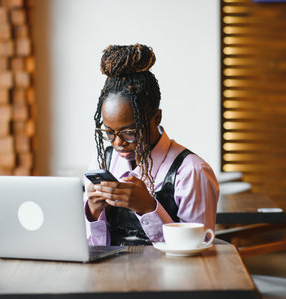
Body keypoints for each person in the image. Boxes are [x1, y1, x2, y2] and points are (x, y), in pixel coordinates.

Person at [84, 44, 219, 246]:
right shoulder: (103, 161)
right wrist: (93, 214)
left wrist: (149, 208)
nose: (118, 142)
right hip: (109, 275)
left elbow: (198, 251)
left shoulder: (191, 172)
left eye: (130, 132)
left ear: (156, 118)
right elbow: (94, 247)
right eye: (109, 133)